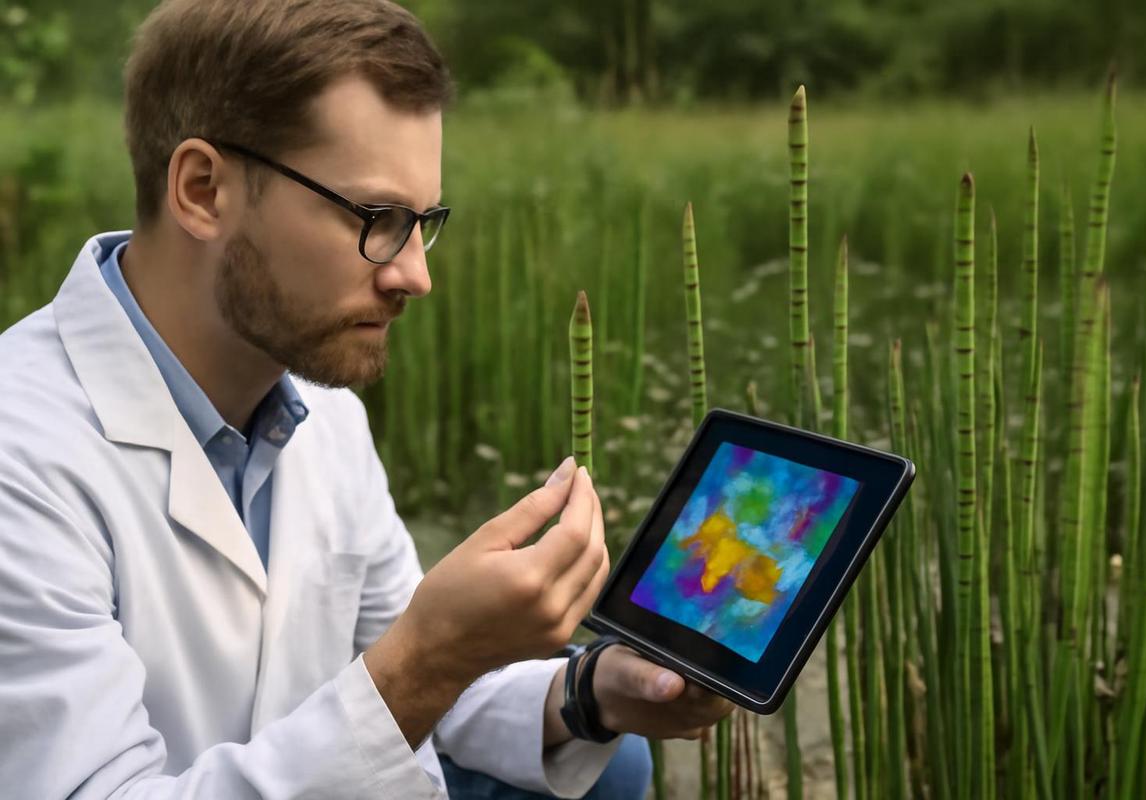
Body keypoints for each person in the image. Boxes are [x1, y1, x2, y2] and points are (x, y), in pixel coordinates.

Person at [0, 0, 735, 797]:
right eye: (378, 219)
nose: (415, 275)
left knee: (611, 758)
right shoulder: (22, 453)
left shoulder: (322, 414)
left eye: (424, 222)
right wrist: (430, 656)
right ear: (203, 190)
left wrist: (591, 693)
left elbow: (419, 688)